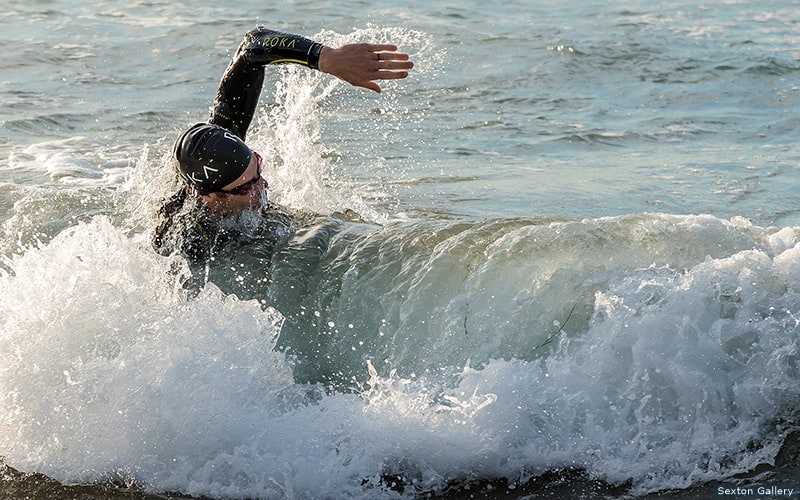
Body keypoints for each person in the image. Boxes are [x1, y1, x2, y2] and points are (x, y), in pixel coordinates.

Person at [152, 26, 413, 262]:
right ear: (208, 198)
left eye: (258, 168)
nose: (263, 185)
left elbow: (252, 46)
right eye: (247, 188)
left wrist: (326, 58)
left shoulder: (222, 146)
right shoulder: (186, 243)